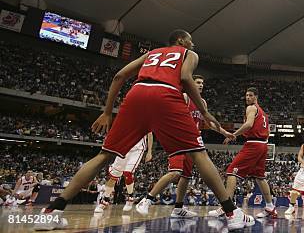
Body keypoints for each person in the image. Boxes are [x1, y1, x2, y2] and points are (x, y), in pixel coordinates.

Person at [35, 29, 253, 231]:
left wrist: (107, 111)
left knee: (103, 156)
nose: (193, 44)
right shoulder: (188, 54)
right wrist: (205, 113)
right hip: (166, 95)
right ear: (180, 41)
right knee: (199, 153)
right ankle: (231, 212)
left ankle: (51, 212)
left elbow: (119, 76)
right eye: (190, 40)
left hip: (136, 94)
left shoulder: (152, 54)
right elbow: (186, 78)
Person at [136, 74, 227, 218]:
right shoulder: (184, 97)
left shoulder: (202, 102)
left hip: (193, 141)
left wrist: (225, 133)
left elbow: (208, 123)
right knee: (175, 173)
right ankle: (147, 199)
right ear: (191, 83)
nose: (201, 85)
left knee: (185, 176)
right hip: (179, 139)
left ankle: (178, 208)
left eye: (202, 83)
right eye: (197, 82)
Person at [208, 87, 277, 219]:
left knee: (231, 172)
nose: (247, 98)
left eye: (250, 95)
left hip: (254, 144)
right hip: (263, 145)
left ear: (256, 97)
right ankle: (270, 207)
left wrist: (233, 135)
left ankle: (226, 207)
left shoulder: (251, 108)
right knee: (260, 177)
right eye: (246, 95)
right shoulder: (263, 113)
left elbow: (249, 124)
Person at [94, 133, 153, 213]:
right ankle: (105, 200)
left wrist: (149, 151)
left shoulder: (146, 120)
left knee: (128, 173)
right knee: (113, 177)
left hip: (137, 149)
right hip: (123, 148)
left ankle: (130, 198)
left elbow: (150, 134)